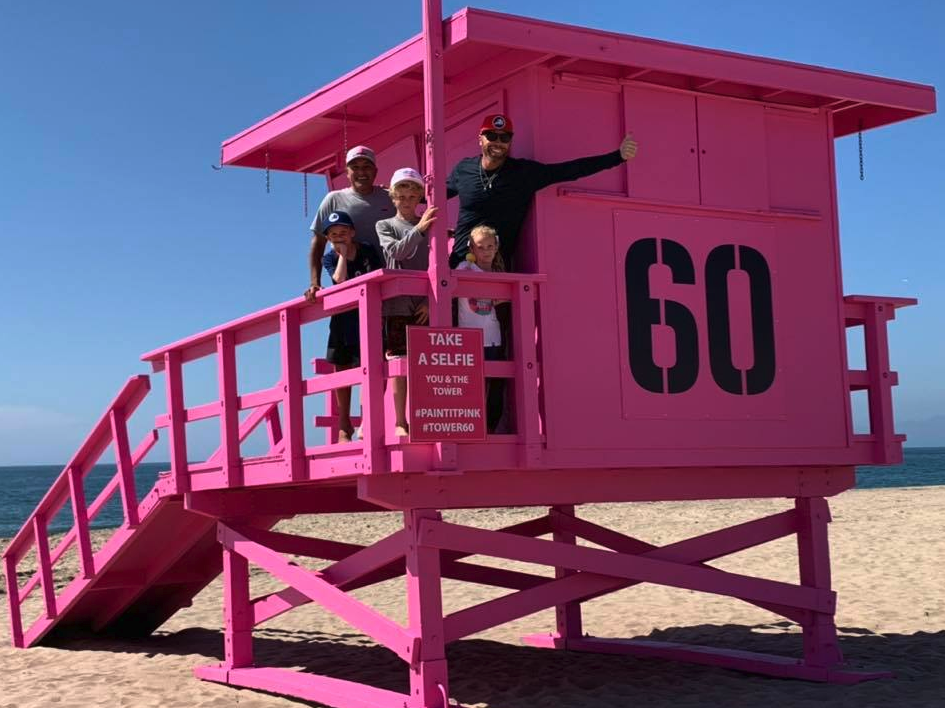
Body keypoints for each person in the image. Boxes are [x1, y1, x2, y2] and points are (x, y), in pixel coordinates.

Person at [446, 114, 638, 269]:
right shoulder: (464, 169)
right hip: (459, 264)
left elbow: (571, 170)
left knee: (493, 318)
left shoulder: (523, 173)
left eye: (505, 137)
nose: (498, 142)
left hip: (496, 269)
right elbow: (433, 195)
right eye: (492, 136)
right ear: (480, 138)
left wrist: (617, 156)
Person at [376, 167, 439, 437]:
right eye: (401, 192)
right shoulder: (385, 225)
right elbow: (396, 252)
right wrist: (421, 228)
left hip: (425, 302)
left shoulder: (433, 227)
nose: (407, 197)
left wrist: (430, 300)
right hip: (397, 303)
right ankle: (401, 421)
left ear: (419, 196)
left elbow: (437, 264)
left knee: (426, 363)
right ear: (392, 196)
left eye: (412, 192)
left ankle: (425, 419)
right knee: (399, 364)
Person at [321, 210, 384, 443]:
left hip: (367, 317)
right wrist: (342, 255)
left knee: (368, 369)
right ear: (328, 238)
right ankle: (344, 424)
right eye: (334, 234)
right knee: (342, 368)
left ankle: (366, 421)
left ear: (352, 232)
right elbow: (339, 280)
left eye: (344, 232)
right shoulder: (328, 257)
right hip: (342, 319)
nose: (340, 237)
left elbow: (377, 275)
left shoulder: (367, 250)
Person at [305, 145, 394, 300]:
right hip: (350, 287)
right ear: (347, 173)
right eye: (355, 167)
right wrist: (315, 283)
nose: (361, 172)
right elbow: (318, 242)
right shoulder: (333, 199)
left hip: (390, 284)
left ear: (375, 171)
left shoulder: (391, 197)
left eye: (367, 167)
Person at [455, 225, 506, 433]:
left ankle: (490, 428)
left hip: (493, 337)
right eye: (480, 247)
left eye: (490, 246)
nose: (486, 251)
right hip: (469, 335)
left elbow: (502, 301)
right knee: (471, 384)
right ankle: (471, 427)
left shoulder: (500, 272)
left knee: (494, 384)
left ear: (496, 248)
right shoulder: (465, 268)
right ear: (472, 249)